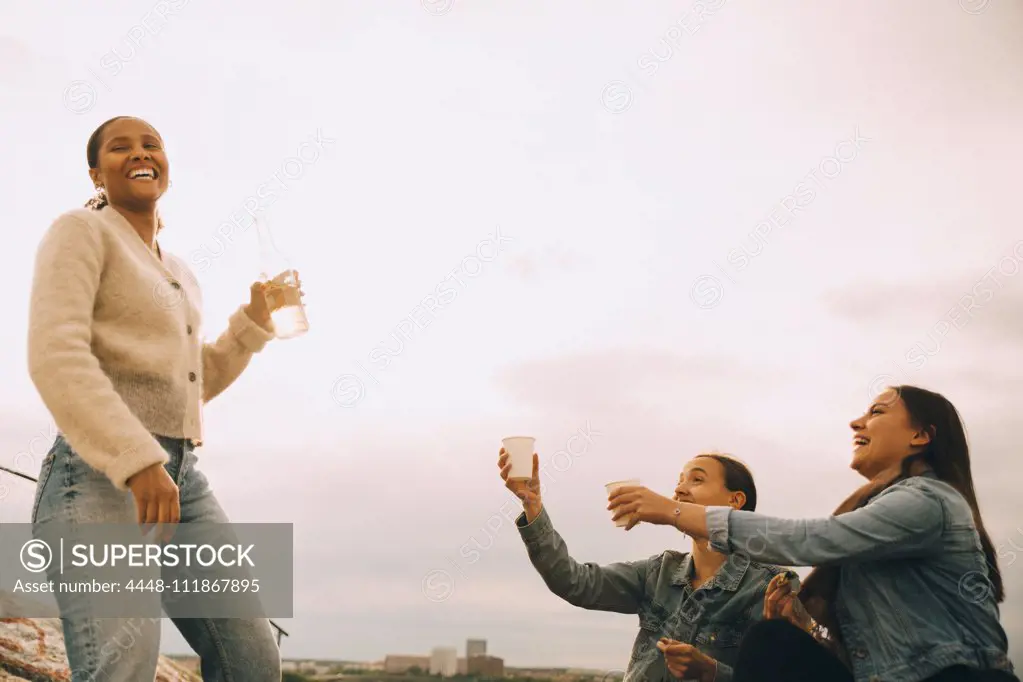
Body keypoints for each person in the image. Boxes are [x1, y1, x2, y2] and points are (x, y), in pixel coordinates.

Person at [27, 115, 290, 681]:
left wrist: (253, 322)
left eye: (151, 144)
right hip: (94, 478)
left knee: (252, 657)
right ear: (96, 173)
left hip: (180, 482)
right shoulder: (79, 231)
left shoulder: (179, 273)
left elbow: (189, 387)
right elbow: (55, 354)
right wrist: (138, 459)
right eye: (119, 147)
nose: (139, 152)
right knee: (124, 664)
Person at [608, 385, 1017, 682]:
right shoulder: (875, 515)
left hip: (958, 676)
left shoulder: (929, 500)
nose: (857, 421)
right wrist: (805, 628)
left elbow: (812, 540)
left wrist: (674, 511)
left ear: (921, 436)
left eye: (877, 412)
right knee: (774, 642)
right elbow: (867, 653)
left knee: (769, 644)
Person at [499, 447, 793, 681]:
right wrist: (533, 505)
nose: (679, 489)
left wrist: (710, 672)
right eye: (679, 480)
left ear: (735, 501)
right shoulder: (658, 572)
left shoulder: (772, 586)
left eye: (697, 479)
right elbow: (575, 583)